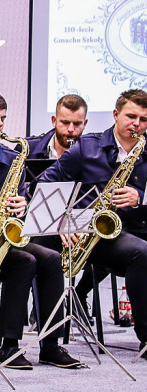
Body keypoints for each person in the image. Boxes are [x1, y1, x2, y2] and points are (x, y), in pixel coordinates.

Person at [38, 89, 147, 357]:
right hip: (97, 233)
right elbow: (44, 183)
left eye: (144, 120)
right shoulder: (87, 148)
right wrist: (64, 219)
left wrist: (141, 197)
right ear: (115, 115)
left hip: (138, 223)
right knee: (142, 253)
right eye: (131, 116)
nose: (137, 124)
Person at [0, 95, 78, 370]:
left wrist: (22, 205)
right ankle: (9, 345)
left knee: (51, 258)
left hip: (2, 236)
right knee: (25, 261)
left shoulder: (12, 157)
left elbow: (19, 210)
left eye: (3, 119)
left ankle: (51, 344)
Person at [27, 94, 88, 160]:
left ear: (84, 124)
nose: (70, 129)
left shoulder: (95, 156)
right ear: (54, 121)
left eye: (77, 124)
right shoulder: (27, 149)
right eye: (65, 122)